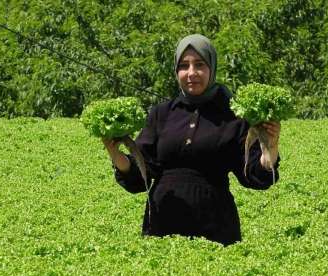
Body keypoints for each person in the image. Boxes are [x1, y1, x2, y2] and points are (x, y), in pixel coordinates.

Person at [102, 34, 281, 246]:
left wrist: (270, 148)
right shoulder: (162, 113)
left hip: (215, 227)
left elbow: (253, 175)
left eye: (199, 65)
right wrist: (115, 154)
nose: (191, 73)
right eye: (184, 66)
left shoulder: (233, 116)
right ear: (176, 70)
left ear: (211, 68)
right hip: (161, 225)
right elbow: (142, 173)